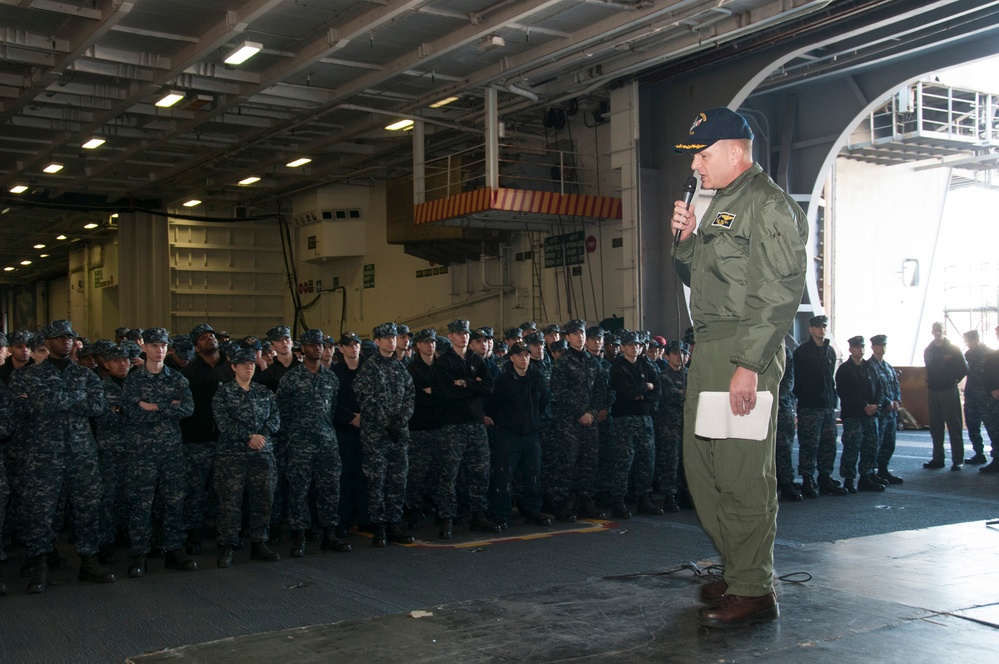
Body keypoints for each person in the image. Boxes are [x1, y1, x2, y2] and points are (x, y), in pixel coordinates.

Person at [671, 107, 807, 628]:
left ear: (734, 150)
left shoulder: (767, 205)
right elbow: (699, 277)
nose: (697, 168)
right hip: (708, 348)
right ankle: (738, 568)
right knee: (704, 469)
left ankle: (754, 589)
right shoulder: (723, 203)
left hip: (743, 349)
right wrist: (683, 240)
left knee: (742, 472)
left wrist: (749, 365)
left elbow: (778, 294)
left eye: (703, 156)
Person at [9, 320, 117, 593]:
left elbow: (97, 407)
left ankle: (88, 560)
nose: (66, 341)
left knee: (87, 507)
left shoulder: (86, 375)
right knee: (42, 510)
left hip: (82, 452)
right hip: (44, 453)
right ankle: (40, 563)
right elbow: (31, 407)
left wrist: (55, 398)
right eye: (59, 337)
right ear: (46, 342)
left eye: (69, 337)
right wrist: (73, 397)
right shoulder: (27, 376)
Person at [123, 328, 198, 577]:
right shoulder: (133, 380)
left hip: (171, 451)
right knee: (141, 504)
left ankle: (174, 550)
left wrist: (154, 406)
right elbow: (133, 413)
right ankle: (139, 554)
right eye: (154, 345)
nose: (159, 350)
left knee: (175, 501)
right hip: (142, 451)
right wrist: (169, 406)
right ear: (144, 347)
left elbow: (187, 409)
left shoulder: (177, 379)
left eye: (163, 346)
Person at [277, 330, 352, 558]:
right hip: (300, 442)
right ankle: (300, 535)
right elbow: (282, 412)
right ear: (302, 349)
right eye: (312, 345)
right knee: (299, 490)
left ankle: (329, 533)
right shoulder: (290, 379)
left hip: (327, 442)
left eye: (321, 344)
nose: (318, 348)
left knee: (330, 489)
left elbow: (332, 409)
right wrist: (293, 436)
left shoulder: (330, 378)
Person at [213, 348, 282, 568]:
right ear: (233, 367)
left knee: (263, 499)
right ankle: (228, 545)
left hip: (262, 453)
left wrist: (261, 436)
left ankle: (259, 542)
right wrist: (248, 436)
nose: (248, 367)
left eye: (251, 363)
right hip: (232, 456)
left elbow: (275, 418)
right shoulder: (223, 393)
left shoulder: (264, 392)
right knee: (230, 502)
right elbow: (223, 423)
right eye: (243, 364)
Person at [433, 320, 499, 538]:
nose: (463, 337)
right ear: (450, 336)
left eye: (466, 333)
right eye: (459, 333)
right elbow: (446, 392)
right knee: (449, 475)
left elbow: (489, 387)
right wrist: (474, 385)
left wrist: (464, 383)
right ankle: (447, 517)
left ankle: (478, 514)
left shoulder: (476, 359)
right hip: (453, 426)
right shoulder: (444, 362)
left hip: (475, 424)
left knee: (480, 471)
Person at [353, 323, 416, 547]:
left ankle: (395, 522)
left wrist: (401, 420)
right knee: (376, 481)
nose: (391, 340)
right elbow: (367, 399)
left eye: (393, 337)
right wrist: (386, 422)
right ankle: (379, 526)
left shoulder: (401, 368)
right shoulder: (369, 369)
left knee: (398, 480)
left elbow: (410, 396)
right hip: (376, 436)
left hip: (398, 435)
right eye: (386, 337)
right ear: (377, 341)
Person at [546, 320, 608, 522]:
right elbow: (559, 392)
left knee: (589, 463)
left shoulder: (593, 362)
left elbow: (600, 391)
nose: (579, 337)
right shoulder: (562, 362)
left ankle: (585, 502)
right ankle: (562, 503)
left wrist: (591, 411)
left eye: (581, 333)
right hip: (569, 422)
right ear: (567, 337)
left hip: (590, 422)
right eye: (574, 334)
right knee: (567, 463)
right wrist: (580, 412)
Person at [485, 342, 551, 528]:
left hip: (531, 433)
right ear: (511, 358)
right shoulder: (503, 380)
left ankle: (532, 511)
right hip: (508, 434)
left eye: (527, 355)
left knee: (533, 476)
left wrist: (533, 420)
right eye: (520, 355)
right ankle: (500, 513)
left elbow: (544, 401)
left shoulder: (536, 378)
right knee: (504, 476)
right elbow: (493, 405)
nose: (524, 359)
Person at [608, 331, 662, 519]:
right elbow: (625, 392)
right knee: (623, 462)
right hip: (624, 420)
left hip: (645, 419)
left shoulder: (648, 365)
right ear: (622, 347)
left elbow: (658, 391)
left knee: (647, 460)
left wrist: (643, 394)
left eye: (637, 345)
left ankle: (644, 499)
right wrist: (645, 388)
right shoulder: (617, 367)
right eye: (630, 344)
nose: (634, 347)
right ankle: (618, 501)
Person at [793, 315, 846, 498]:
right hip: (809, 406)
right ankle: (807, 478)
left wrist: (832, 402)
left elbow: (830, 379)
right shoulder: (802, 352)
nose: (821, 329)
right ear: (811, 329)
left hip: (827, 406)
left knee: (828, 443)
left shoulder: (830, 351)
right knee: (809, 443)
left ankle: (825, 477)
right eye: (817, 326)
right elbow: (797, 380)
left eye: (823, 326)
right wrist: (802, 400)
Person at [835, 336, 885, 493]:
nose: (860, 350)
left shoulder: (871, 367)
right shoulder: (844, 369)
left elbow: (880, 388)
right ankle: (849, 480)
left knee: (871, 447)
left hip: (871, 415)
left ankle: (866, 477)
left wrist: (877, 405)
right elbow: (845, 392)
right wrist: (864, 406)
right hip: (854, 415)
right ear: (850, 349)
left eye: (862, 347)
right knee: (852, 447)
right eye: (856, 347)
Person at [923, 322, 968, 470]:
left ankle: (957, 459)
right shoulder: (928, 350)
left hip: (948, 390)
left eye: (940, 330)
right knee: (935, 427)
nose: (937, 333)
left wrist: (952, 380)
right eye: (935, 330)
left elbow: (964, 368)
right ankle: (938, 459)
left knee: (954, 425)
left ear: (944, 332)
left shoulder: (953, 349)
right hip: (933, 390)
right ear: (932, 332)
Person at [869, 335, 904, 483]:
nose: (882, 348)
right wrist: (887, 402)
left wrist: (897, 401)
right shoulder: (870, 366)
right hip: (880, 412)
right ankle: (871, 472)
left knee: (889, 442)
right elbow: (874, 389)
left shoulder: (888, 367)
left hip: (891, 413)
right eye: (879, 345)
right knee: (875, 442)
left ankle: (883, 469)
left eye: (884, 345)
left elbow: (895, 385)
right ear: (873, 347)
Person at [776, 339, 802, 500]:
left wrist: (777, 398)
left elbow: (789, 380)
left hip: (782, 406)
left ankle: (786, 483)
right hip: (758, 404)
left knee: (784, 446)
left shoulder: (784, 350)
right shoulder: (755, 347)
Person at [962, 330, 991, 465]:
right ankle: (979, 453)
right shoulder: (968, 354)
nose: (967, 344)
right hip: (971, 395)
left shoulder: (990, 354)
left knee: (992, 427)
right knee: (972, 425)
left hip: (986, 397)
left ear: (976, 340)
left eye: (968, 341)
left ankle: (996, 456)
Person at [979, 325, 999, 473]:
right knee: (993, 428)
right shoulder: (993, 356)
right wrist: (992, 390)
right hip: (995, 399)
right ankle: (997, 459)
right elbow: (985, 377)